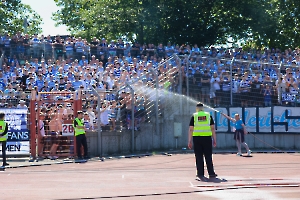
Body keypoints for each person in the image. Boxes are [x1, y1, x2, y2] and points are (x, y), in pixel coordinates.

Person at [188, 103, 217, 181]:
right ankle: (211, 173)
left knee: (199, 156)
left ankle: (200, 173)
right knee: (208, 156)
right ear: (203, 108)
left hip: (197, 138)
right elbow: (213, 128)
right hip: (207, 138)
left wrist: (189, 140)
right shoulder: (208, 115)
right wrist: (214, 139)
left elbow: (191, 129)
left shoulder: (194, 116)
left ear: (197, 108)